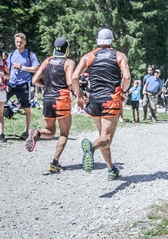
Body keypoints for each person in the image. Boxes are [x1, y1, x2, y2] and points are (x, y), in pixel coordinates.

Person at [72, 28, 131, 180]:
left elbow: (74, 77)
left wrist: (79, 96)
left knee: (103, 136)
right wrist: (123, 91)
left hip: (94, 100)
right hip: (110, 100)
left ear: (97, 41)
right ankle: (91, 148)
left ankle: (111, 169)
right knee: (107, 138)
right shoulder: (119, 55)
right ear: (112, 41)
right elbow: (127, 76)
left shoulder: (88, 56)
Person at [25, 38, 75, 173]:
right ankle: (55, 163)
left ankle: (37, 133)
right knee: (64, 133)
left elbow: (35, 80)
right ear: (67, 49)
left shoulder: (47, 61)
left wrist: (47, 85)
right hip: (61, 100)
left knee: (50, 131)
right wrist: (79, 93)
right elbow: (70, 82)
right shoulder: (69, 62)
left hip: (47, 99)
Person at [7, 33, 40, 139]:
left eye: (21, 42)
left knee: (26, 108)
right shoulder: (11, 54)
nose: (19, 44)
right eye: (17, 42)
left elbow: (36, 68)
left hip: (24, 84)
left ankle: (25, 130)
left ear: (25, 42)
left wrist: (23, 67)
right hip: (11, 83)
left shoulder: (30, 54)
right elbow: (7, 69)